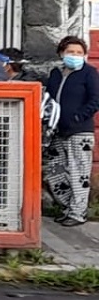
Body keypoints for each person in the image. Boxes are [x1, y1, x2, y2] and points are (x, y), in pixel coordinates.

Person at [43, 36, 99, 226]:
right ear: (61, 53)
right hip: (57, 131)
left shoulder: (89, 73)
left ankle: (78, 212)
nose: (74, 55)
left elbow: (95, 100)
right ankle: (69, 207)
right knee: (55, 171)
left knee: (78, 173)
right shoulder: (56, 73)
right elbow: (48, 98)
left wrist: (78, 117)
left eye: (79, 52)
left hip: (79, 132)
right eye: (70, 52)